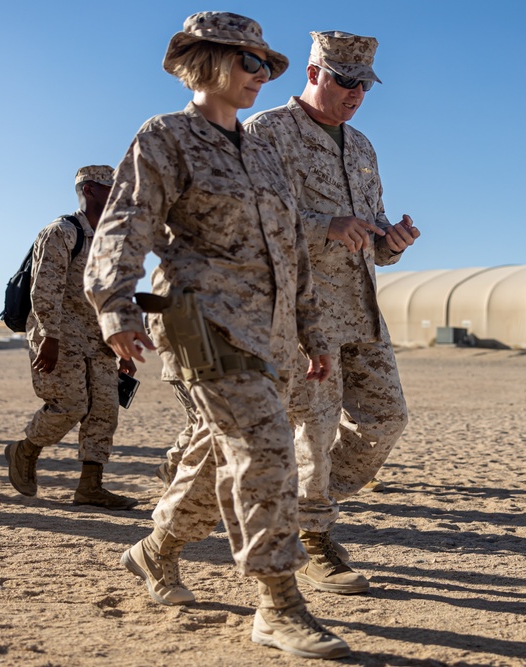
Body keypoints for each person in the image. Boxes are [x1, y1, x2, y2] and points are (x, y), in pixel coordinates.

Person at [83, 12, 349, 660]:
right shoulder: (166, 138)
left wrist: (314, 330)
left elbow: (293, 251)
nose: (260, 75)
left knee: (214, 457)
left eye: (265, 65)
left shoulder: (263, 151)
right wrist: (113, 307)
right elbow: (125, 225)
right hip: (202, 321)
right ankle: (277, 603)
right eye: (248, 63)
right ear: (206, 64)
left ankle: (154, 551)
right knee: (264, 449)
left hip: (270, 332)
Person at [244, 30, 419, 595]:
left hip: (362, 309)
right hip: (303, 312)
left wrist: (390, 242)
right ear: (315, 72)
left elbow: (368, 232)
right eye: (346, 81)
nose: (356, 93)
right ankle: (312, 534)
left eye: (365, 84)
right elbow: (249, 223)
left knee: (386, 419)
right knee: (313, 427)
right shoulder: (266, 133)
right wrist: (324, 228)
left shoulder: (363, 146)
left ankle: (296, 500)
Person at [4, 166, 138, 511]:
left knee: (105, 410)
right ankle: (25, 450)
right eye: (111, 190)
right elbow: (45, 288)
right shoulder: (61, 232)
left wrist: (122, 343)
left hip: (99, 339)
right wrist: (49, 336)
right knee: (70, 406)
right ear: (90, 190)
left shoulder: (112, 239)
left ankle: (90, 487)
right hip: (60, 335)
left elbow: (113, 294)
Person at [145, 266, 201, 489]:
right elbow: (159, 320)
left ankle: (172, 468)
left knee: (199, 421)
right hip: (185, 362)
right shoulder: (175, 265)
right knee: (202, 421)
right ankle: (173, 469)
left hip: (216, 362)